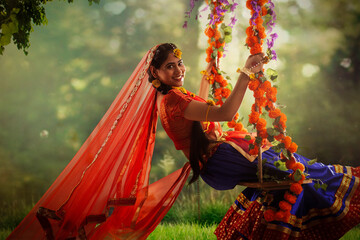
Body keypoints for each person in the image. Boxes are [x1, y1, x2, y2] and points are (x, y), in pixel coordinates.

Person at [7, 43, 360, 240]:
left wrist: (209, 75)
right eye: (170, 67)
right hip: (222, 158)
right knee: (297, 173)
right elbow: (220, 114)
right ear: (155, 74)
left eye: (179, 64)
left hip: (219, 158)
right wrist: (245, 74)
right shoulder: (174, 102)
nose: (178, 70)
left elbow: (203, 108)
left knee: (288, 172)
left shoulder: (173, 96)